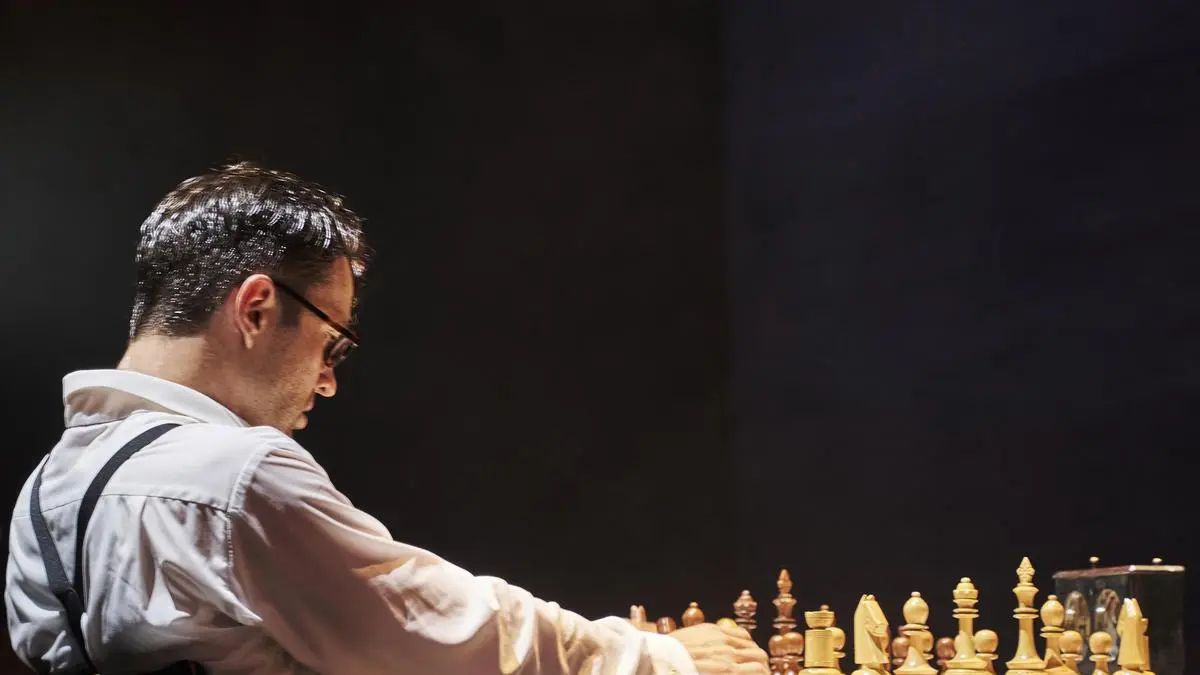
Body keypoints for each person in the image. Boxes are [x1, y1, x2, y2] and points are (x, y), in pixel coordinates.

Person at [5, 162, 770, 675]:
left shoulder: (41, 497)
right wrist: (658, 658)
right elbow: (442, 632)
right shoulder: (231, 476)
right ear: (258, 307)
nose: (328, 381)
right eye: (331, 342)